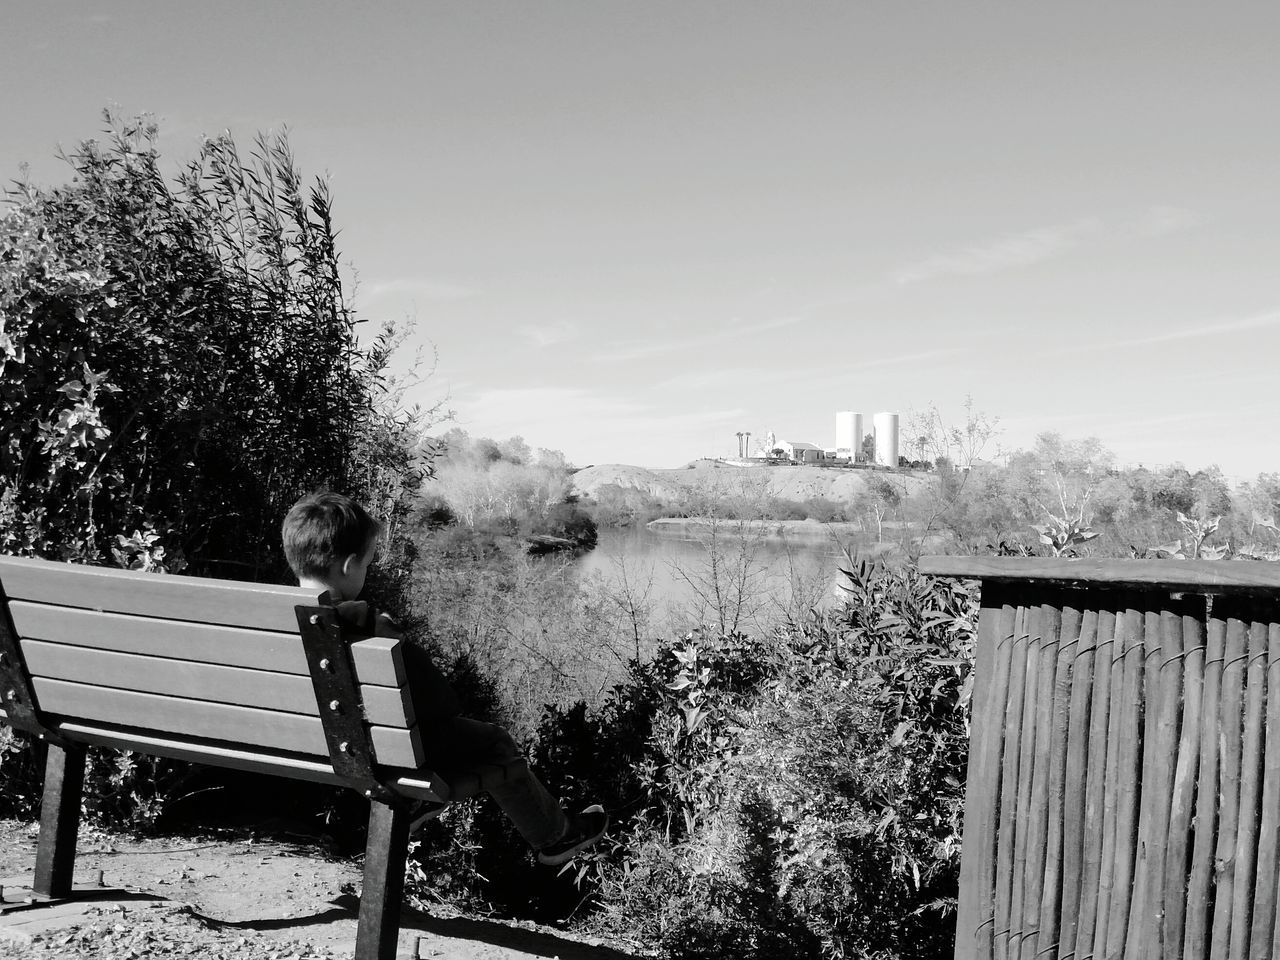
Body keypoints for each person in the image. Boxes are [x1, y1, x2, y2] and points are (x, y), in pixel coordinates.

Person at [281, 490, 607, 866]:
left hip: (297, 744)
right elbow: (440, 703)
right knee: (494, 742)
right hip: (374, 754)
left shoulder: (268, 619)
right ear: (350, 565)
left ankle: (417, 803)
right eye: (369, 565)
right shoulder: (369, 627)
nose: (367, 572)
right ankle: (555, 837)